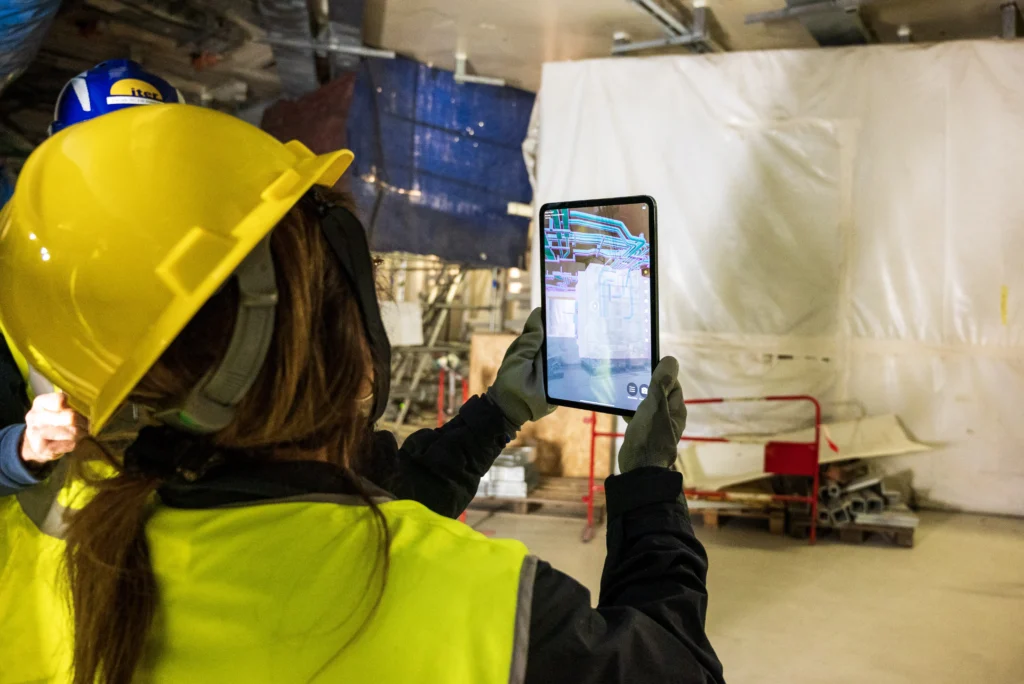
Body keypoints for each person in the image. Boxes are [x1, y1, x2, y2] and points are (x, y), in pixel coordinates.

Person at [0, 103, 722, 684]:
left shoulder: (32, 549)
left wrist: (496, 414)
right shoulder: (478, 604)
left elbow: (330, 517)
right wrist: (650, 491)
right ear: (317, 329)